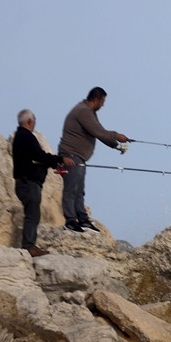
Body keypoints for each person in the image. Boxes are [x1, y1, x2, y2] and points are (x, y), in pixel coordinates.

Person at [57, 86, 130, 232]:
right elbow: (99, 132)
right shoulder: (83, 111)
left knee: (79, 190)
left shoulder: (87, 111)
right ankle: (71, 221)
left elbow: (99, 132)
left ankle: (82, 219)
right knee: (71, 189)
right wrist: (117, 137)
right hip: (71, 155)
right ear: (96, 100)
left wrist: (117, 146)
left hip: (79, 157)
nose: (103, 105)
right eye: (102, 102)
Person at [12, 110, 75, 257]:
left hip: (26, 182)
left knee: (32, 214)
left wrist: (53, 164)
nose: (35, 124)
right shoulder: (26, 136)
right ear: (29, 122)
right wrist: (60, 160)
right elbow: (38, 156)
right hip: (28, 183)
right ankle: (29, 246)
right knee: (32, 215)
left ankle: (30, 245)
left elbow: (34, 159)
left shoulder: (21, 137)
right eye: (34, 121)